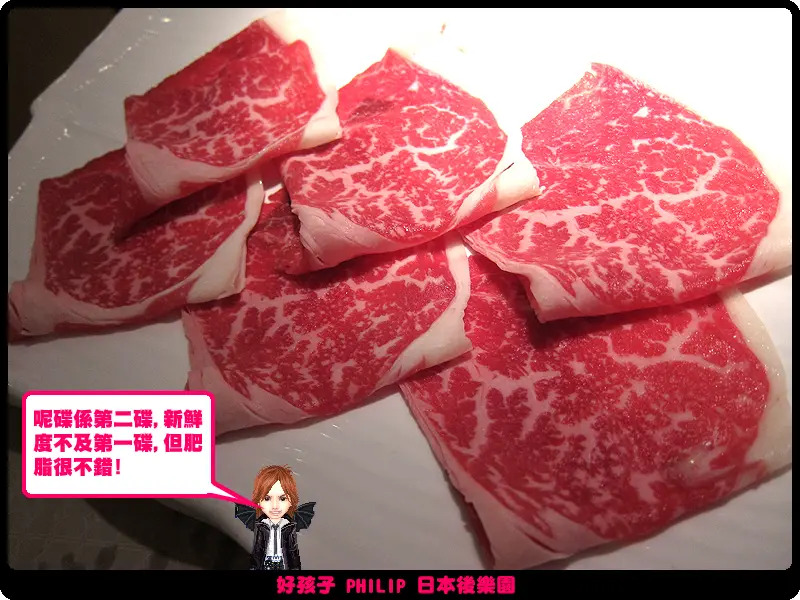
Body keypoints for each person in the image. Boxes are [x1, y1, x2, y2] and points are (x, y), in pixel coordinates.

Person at [249, 464, 302, 570]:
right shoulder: (261, 526)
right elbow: (257, 552)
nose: (275, 506)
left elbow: (293, 552)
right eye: (267, 498)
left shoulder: (288, 526)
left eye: (282, 499)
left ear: (291, 500)